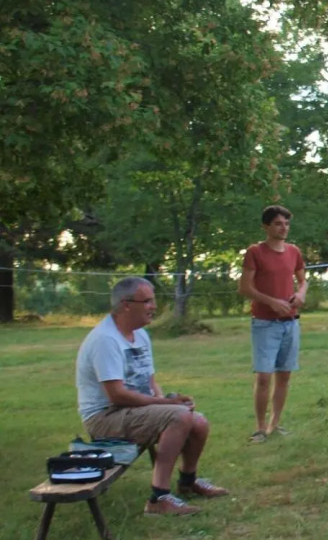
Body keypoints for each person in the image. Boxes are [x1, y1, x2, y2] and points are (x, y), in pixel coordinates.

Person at [75, 277, 229, 516]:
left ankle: (188, 482)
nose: (154, 307)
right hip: (105, 417)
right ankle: (159, 498)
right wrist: (167, 406)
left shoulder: (140, 335)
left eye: (153, 301)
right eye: (147, 301)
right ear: (126, 305)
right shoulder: (106, 340)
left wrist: (168, 400)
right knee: (179, 417)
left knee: (198, 421)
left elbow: (150, 381)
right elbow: (117, 396)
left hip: (133, 410)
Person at [239, 204, 306, 442]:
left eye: (286, 224)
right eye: (278, 224)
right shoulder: (255, 252)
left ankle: (274, 424)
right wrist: (271, 302)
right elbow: (244, 287)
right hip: (265, 323)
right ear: (266, 226)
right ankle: (260, 427)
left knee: (284, 375)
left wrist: (301, 294)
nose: (283, 228)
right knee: (264, 376)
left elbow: (303, 280)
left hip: (291, 322)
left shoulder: (293, 251)